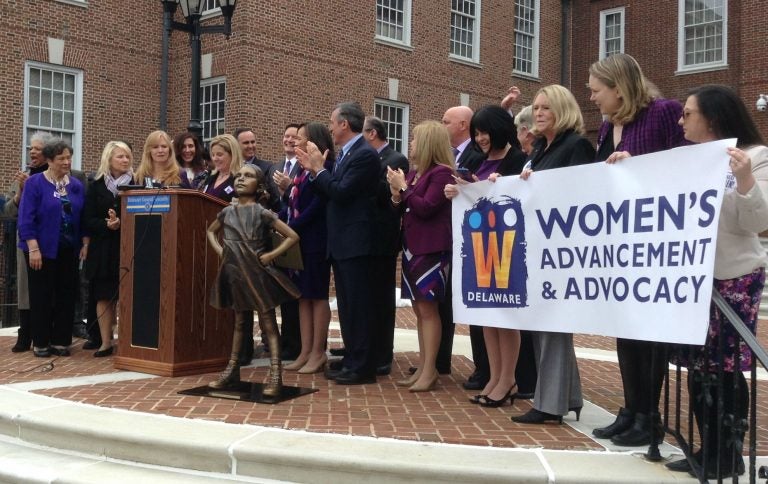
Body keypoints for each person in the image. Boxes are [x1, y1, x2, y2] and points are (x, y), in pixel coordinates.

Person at [661, 85, 768, 479]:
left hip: (733, 276)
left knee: (724, 367)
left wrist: (744, 182)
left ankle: (728, 454)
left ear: (714, 117)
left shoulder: (755, 158)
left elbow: (758, 223)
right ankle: (706, 447)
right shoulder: (689, 159)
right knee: (698, 366)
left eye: (688, 113)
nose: (681, 120)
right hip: (693, 276)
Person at [588, 53, 687, 446]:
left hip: (654, 243)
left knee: (649, 333)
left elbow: (686, 165)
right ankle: (630, 410)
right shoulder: (606, 126)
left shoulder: (664, 113)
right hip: (618, 244)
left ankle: (650, 416)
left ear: (618, 88)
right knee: (625, 331)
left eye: (597, 90)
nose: (592, 97)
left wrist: (639, 165)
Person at [506, 84, 594, 424]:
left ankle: (550, 404)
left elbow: (582, 195)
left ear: (562, 110)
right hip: (538, 249)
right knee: (545, 324)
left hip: (562, 249)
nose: (538, 113)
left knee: (552, 323)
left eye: (546, 108)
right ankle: (569, 397)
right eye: (537, 108)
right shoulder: (541, 148)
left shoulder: (577, 146)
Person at [444, 105, 526, 406]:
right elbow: (474, 193)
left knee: (506, 317)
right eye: (476, 133)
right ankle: (494, 375)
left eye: (484, 132)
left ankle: (509, 379)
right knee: (488, 317)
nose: (479, 138)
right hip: (479, 246)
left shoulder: (517, 159)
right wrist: (460, 190)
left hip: (507, 247)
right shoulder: (478, 159)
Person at [295, 101, 380, 385]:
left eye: (332, 122)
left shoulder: (364, 155)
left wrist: (318, 170)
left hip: (356, 242)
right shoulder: (346, 153)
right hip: (342, 242)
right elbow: (332, 191)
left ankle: (362, 366)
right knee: (346, 305)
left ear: (344, 124)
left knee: (358, 305)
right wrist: (315, 171)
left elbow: (341, 193)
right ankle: (353, 358)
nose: (330, 127)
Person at [207, 164, 301, 397]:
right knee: (239, 321)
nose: (240, 179)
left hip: (256, 273)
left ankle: (276, 373)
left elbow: (292, 235)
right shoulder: (227, 212)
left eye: (247, 176)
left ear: (258, 186)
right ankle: (232, 369)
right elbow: (210, 231)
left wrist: (270, 256)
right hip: (234, 272)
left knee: (268, 321)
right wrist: (221, 251)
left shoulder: (262, 212)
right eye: (238, 176)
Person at [387, 120, 454, 392]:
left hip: (432, 250)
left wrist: (403, 189)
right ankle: (424, 366)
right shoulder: (416, 174)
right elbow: (404, 208)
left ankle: (430, 370)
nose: (410, 143)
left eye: (414, 138)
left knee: (428, 309)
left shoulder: (442, 174)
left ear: (427, 143)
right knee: (419, 310)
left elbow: (425, 208)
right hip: (413, 248)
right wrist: (396, 194)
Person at [18, 139, 88, 357]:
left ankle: (61, 341)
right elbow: (26, 216)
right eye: (61, 158)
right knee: (42, 295)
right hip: (41, 248)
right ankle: (40, 342)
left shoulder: (75, 185)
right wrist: (33, 247)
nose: (66, 162)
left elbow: (82, 216)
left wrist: (85, 243)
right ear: (49, 160)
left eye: (68, 157)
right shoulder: (35, 183)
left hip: (68, 249)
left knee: (66, 295)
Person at [440, 105, 487, 389]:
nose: (442, 124)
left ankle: (485, 369)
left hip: (475, 241)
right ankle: (442, 360)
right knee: (449, 304)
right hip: (451, 239)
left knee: (478, 310)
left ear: (461, 124)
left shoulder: (476, 155)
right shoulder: (449, 156)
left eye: (446, 121)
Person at [280, 122, 333, 374]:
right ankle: (304, 350)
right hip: (299, 240)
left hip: (315, 240)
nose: (295, 142)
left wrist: (293, 227)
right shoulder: (300, 170)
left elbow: (318, 206)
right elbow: (295, 201)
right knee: (302, 297)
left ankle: (318, 352)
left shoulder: (322, 166)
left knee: (317, 296)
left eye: (301, 138)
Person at [364, 116, 409, 376]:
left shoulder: (395, 159)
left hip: (383, 237)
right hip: (366, 235)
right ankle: (367, 345)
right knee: (367, 297)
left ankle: (383, 353)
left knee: (381, 298)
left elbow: (387, 194)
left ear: (372, 134)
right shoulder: (371, 159)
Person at [81, 141, 133, 357]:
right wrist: (106, 224)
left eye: (127, 156)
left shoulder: (137, 184)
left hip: (128, 248)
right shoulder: (96, 186)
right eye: (120, 156)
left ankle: (128, 340)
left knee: (126, 296)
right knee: (104, 296)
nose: (125, 160)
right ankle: (105, 342)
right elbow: (87, 220)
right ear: (109, 159)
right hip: (103, 250)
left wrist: (122, 222)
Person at [5, 131, 54, 353]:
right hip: (27, 240)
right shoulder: (24, 177)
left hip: (52, 240)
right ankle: (25, 334)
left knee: (47, 289)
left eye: (37, 148)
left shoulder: (58, 176)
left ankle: (46, 334)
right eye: (30, 148)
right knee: (26, 287)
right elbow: (8, 211)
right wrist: (20, 192)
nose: (32, 152)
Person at [200, 134, 242, 203]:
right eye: (213, 155)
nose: (215, 159)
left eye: (219, 154)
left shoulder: (240, 180)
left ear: (232, 154)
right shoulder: (210, 177)